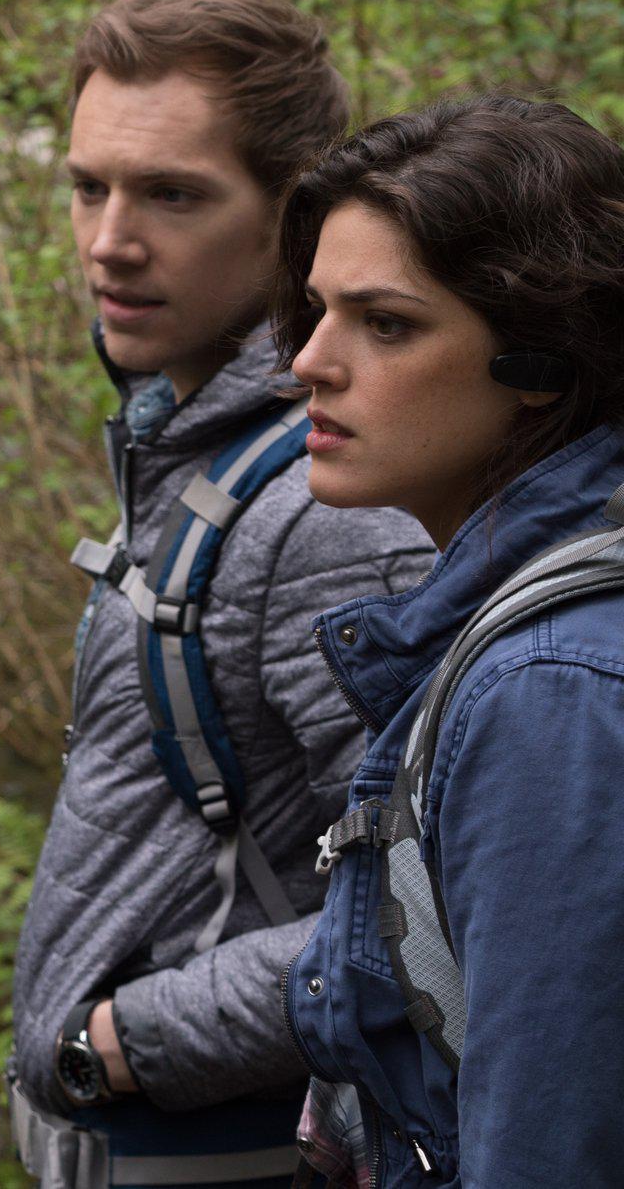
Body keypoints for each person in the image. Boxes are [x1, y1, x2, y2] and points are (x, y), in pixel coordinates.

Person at [10, 0, 433, 1187]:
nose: (106, 240)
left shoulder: (325, 508)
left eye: (171, 195)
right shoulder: (193, 445)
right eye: (86, 186)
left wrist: (122, 1043)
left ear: (291, 222)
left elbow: (425, 904)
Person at [273, 96, 624, 1188]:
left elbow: (548, 1150)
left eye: (385, 323)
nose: (308, 363)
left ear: (542, 364)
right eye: (315, 309)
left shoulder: (548, 686)